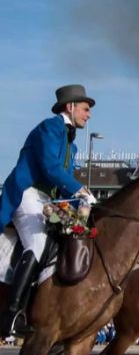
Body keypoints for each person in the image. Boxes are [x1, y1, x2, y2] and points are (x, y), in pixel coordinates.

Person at [0, 84, 98, 335]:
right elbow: (49, 168)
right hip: (27, 194)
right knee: (38, 242)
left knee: (75, 233)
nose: (89, 115)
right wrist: (80, 190)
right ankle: (11, 314)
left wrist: (85, 204)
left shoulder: (72, 144)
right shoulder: (49, 127)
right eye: (86, 109)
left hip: (48, 203)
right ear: (71, 106)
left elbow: (63, 184)